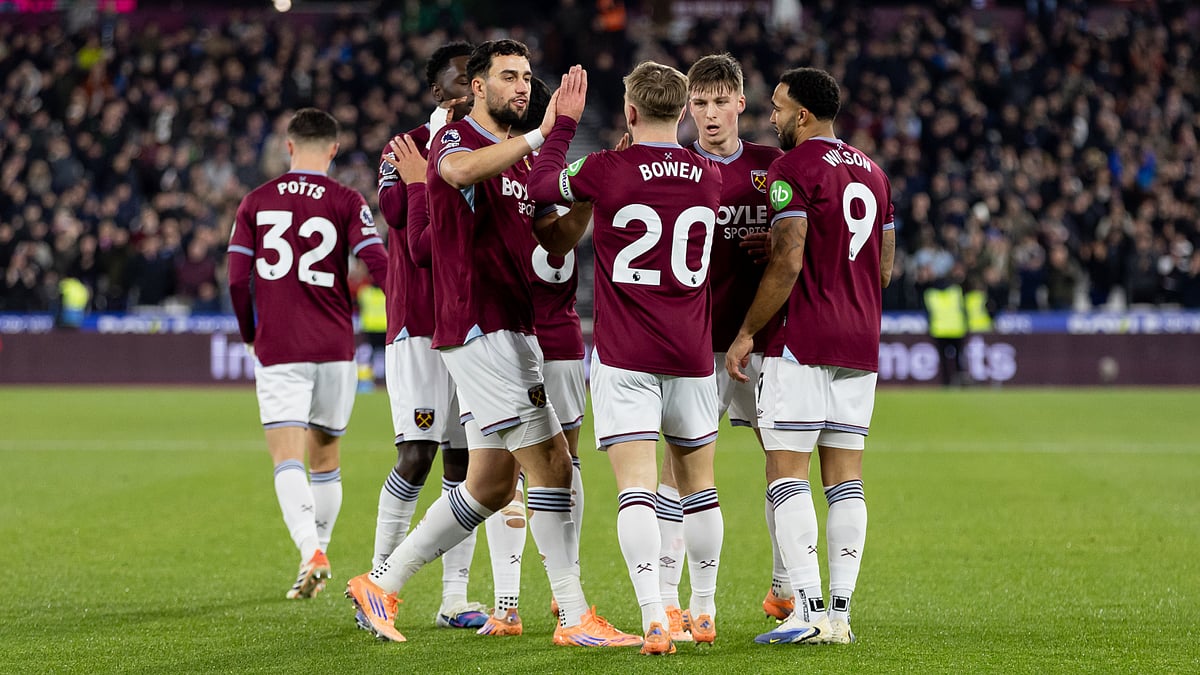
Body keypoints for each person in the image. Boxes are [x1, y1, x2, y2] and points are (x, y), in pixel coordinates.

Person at [346, 39, 639, 649]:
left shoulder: (516, 163)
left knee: (491, 485)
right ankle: (573, 615)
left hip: (510, 325)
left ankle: (381, 583)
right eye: (508, 76)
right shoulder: (457, 139)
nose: (522, 86)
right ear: (477, 87)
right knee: (553, 465)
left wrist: (588, 196)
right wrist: (545, 133)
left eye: (527, 77)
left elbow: (553, 239)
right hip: (482, 329)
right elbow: (453, 174)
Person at [529, 60, 725, 655]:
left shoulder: (605, 169)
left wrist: (564, 126)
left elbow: (541, 187)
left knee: (635, 490)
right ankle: (703, 610)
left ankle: (654, 620)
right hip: (692, 354)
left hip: (626, 355)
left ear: (630, 112)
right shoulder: (709, 176)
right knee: (700, 489)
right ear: (685, 111)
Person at [725, 67, 895, 646]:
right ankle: (840, 615)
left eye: (777, 107)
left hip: (802, 341)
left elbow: (790, 260)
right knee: (846, 480)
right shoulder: (874, 172)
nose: (770, 117)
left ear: (801, 115)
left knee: (785, 471)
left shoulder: (790, 168)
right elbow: (883, 269)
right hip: (860, 341)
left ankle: (808, 609)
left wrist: (747, 332)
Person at [653, 53, 789, 641]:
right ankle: (671, 600)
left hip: (761, 341)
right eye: (699, 103)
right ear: (687, 108)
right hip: (696, 345)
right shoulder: (673, 168)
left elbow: (803, 243)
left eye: (719, 102)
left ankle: (785, 585)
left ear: (740, 102)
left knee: (781, 459)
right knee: (676, 470)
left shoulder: (771, 166)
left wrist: (778, 241)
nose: (709, 114)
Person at [226, 107, 388, 600]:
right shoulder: (347, 199)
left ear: (289, 146)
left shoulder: (256, 202)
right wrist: (410, 312)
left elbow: (236, 279)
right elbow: (378, 262)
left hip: (280, 346)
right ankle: (319, 548)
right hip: (336, 347)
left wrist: (250, 332)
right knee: (326, 458)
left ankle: (311, 551)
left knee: (286, 456)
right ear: (334, 150)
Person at [371, 41, 493, 630]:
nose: (469, 89)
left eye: (476, 79)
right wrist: (431, 160)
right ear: (436, 90)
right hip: (418, 321)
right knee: (417, 454)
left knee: (465, 464)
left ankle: (454, 599)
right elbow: (398, 215)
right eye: (459, 80)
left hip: (468, 322)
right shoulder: (406, 146)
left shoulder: (489, 147)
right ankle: (377, 582)